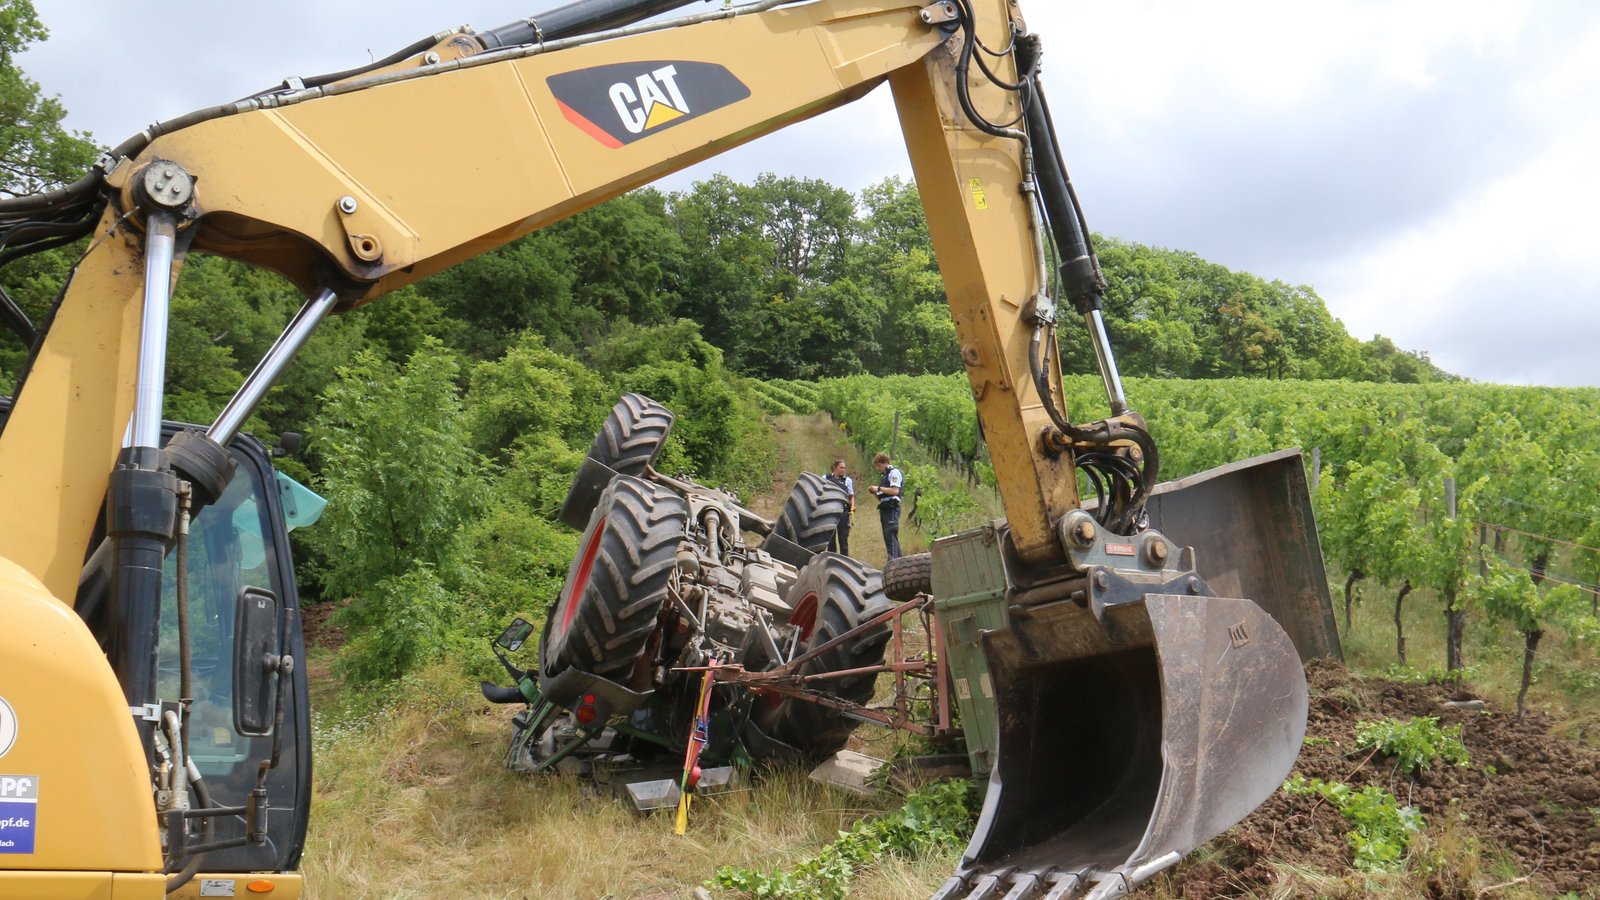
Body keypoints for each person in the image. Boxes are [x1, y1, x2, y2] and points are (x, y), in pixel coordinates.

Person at [866, 451, 903, 561]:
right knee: (889, 537)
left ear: (884, 462)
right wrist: (875, 493)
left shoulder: (894, 473)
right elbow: (882, 496)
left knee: (890, 535)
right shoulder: (885, 476)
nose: (878, 469)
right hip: (884, 508)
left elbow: (895, 491)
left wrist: (878, 488)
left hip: (891, 508)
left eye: (878, 465)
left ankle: (892, 563)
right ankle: (900, 562)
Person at [824, 458, 855, 556]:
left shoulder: (847, 481)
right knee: (830, 539)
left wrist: (852, 508)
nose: (843, 470)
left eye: (844, 468)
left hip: (843, 512)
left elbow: (851, 496)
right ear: (835, 468)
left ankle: (845, 561)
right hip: (829, 512)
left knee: (843, 538)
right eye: (841, 468)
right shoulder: (825, 478)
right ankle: (831, 560)